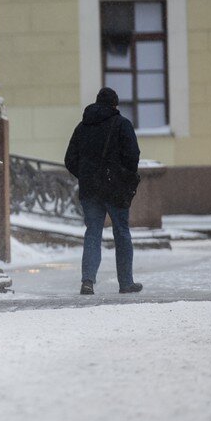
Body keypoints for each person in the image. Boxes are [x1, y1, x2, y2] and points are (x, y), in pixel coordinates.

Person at [64, 87, 142, 295]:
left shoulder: (83, 127)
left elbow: (69, 159)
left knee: (93, 233)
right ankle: (126, 283)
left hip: (90, 190)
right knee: (122, 233)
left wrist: (86, 175)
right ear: (115, 105)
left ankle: (87, 281)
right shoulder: (122, 125)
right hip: (115, 188)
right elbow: (133, 155)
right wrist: (123, 176)